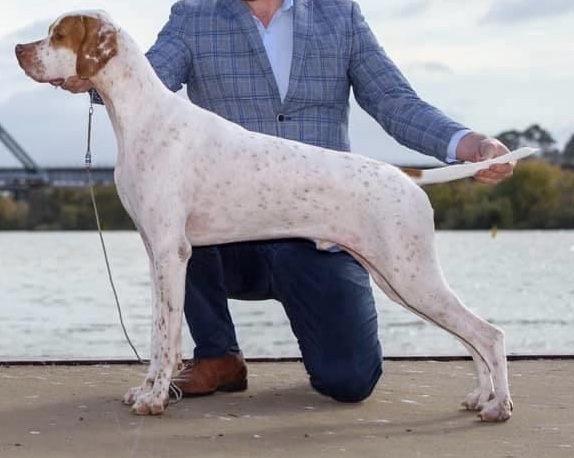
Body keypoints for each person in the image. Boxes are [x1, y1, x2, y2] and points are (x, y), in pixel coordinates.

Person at [63, 0, 514, 403]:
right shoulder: (194, 14)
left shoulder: (340, 14)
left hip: (326, 224)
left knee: (352, 377)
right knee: (173, 222)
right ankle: (216, 356)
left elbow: (394, 101)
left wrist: (470, 145)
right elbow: (144, 80)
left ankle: (487, 349)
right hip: (226, 242)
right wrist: (89, 71)